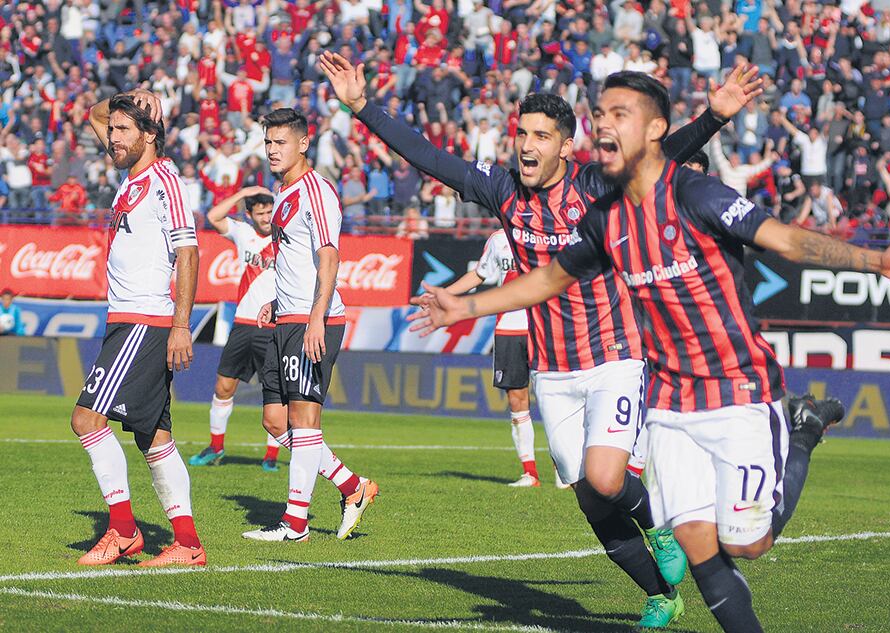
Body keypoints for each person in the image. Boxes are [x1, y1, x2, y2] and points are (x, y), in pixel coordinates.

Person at [408, 71, 890, 632]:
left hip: (737, 387)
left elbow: (788, 240)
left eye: (621, 116)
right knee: (695, 543)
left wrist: (878, 261)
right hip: (669, 401)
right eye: (602, 116)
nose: (606, 126)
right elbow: (548, 279)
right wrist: (465, 306)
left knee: (747, 545)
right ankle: (669, 591)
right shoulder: (604, 219)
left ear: (654, 132)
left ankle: (802, 431)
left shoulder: (696, 194)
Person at [321, 51, 765, 627]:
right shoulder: (503, 190)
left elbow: (662, 155)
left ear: (566, 147)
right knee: (587, 495)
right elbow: (429, 157)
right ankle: (659, 593)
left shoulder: (595, 187)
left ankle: (661, 523)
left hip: (614, 356)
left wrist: (715, 116)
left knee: (608, 477)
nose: (526, 145)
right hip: (551, 371)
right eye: (521, 133)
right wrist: (362, 107)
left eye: (540, 136)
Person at [74, 90, 205, 566]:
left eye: (124, 130)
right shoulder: (132, 175)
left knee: (86, 419)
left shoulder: (164, 179)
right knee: (154, 438)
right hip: (128, 319)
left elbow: (189, 251)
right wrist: (122, 99)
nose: (113, 137)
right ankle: (188, 545)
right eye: (113, 131)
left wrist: (181, 325)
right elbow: (92, 113)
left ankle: (124, 530)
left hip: (144, 320)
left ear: (151, 135)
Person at [242, 108, 379, 543]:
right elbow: (291, 258)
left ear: (303, 143)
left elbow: (328, 256)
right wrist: (277, 304)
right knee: (275, 420)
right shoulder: (282, 193)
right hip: (288, 316)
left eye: (280, 142)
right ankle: (352, 487)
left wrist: (315, 317)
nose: (272, 150)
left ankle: (295, 524)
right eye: (268, 143)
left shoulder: (317, 191)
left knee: (303, 419)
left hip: (314, 320)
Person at [188, 186, 285, 472]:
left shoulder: (288, 237)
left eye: (270, 211)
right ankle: (216, 447)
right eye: (261, 213)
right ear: (249, 214)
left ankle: (271, 456)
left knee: (275, 393)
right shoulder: (243, 233)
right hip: (242, 324)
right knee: (223, 386)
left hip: (272, 325)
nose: (267, 217)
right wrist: (246, 190)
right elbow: (213, 215)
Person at [445, 229, 540, 487]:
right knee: (517, 398)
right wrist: (445, 294)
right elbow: (479, 274)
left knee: (554, 398)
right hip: (509, 326)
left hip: (545, 326)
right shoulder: (499, 239)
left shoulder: (551, 230)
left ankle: (566, 473)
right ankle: (530, 473)